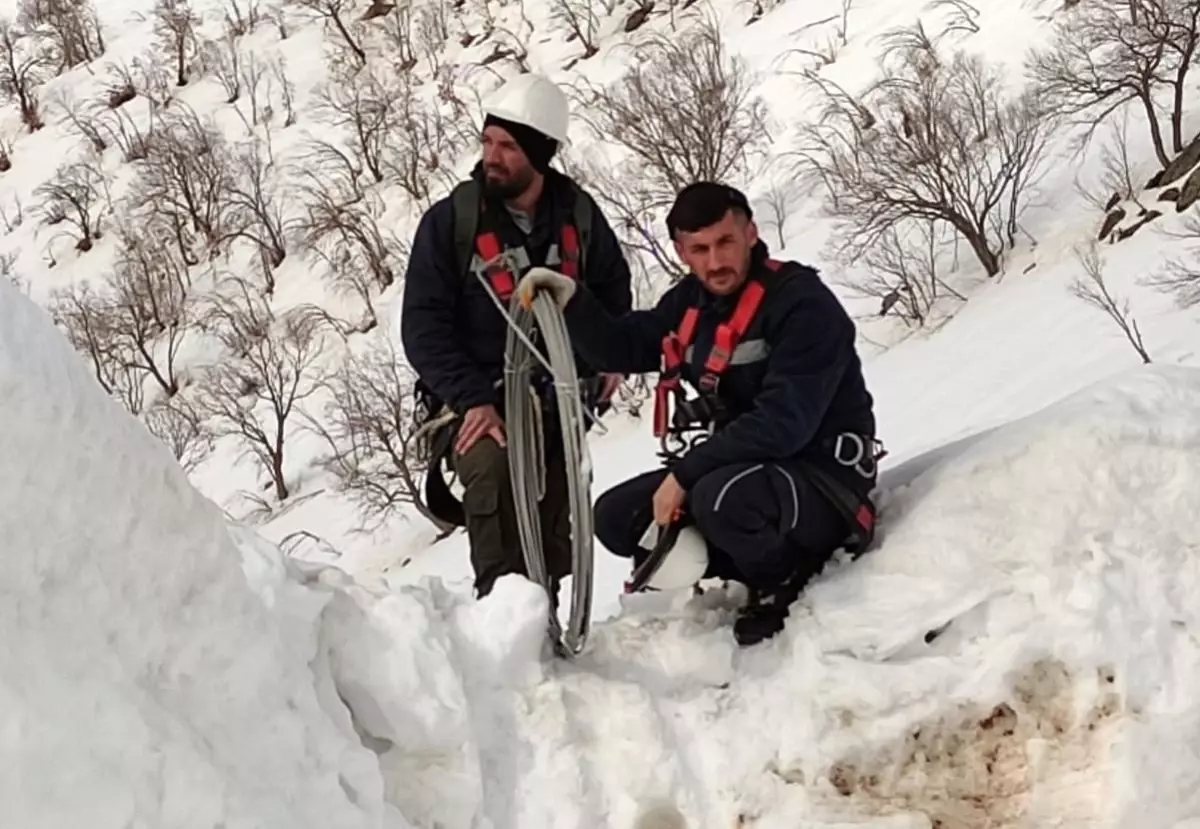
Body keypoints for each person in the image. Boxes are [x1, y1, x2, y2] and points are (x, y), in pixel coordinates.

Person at [515, 182, 882, 646]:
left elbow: (784, 424)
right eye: (700, 249)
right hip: (743, 473)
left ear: (750, 232)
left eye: (725, 242)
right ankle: (743, 561)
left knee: (717, 498)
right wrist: (571, 301)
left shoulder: (802, 304)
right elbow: (626, 344)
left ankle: (784, 576)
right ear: (681, 251)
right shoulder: (691, 303)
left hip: (823, 481)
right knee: (616, 516)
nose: (715, 261)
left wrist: (686, 475)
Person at [399, 72, 633, 600]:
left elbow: (613, 289)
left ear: (539, 153)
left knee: (555, 508)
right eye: (487, 142)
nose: (492, 156)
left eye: (507, 146)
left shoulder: (577, 217)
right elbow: (422, 326)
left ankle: (549, 615)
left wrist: (609, 355)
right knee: (494, 470)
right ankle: (500, 611)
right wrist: (472, 399)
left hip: (557, 395)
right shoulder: (452, 223)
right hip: (479, 398)